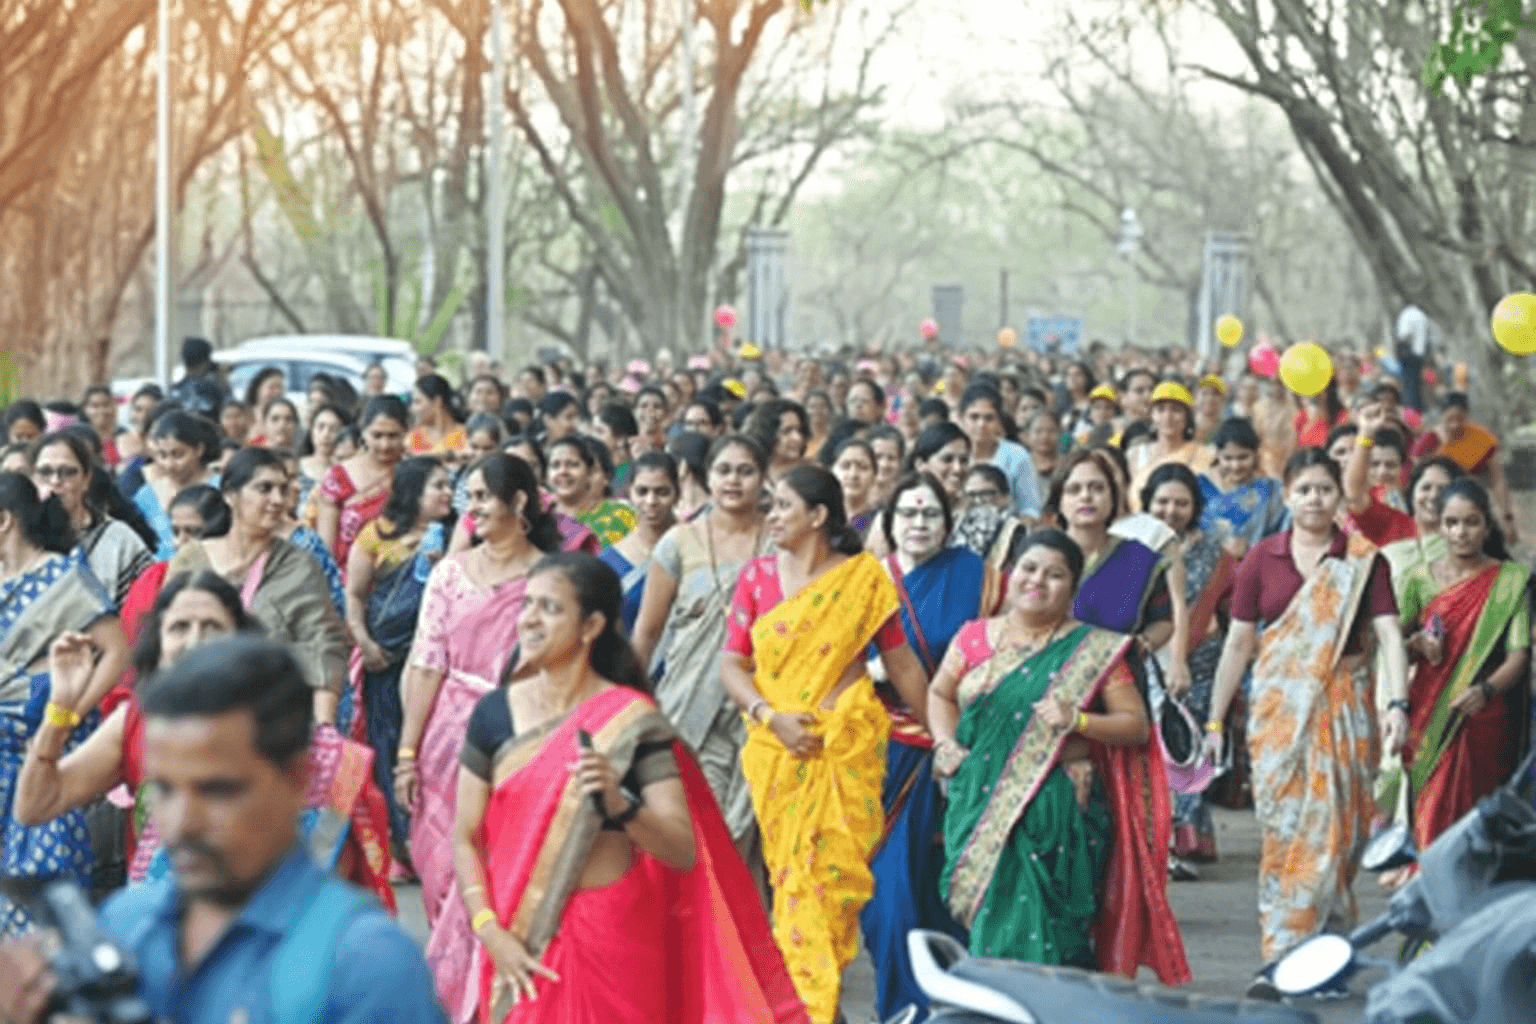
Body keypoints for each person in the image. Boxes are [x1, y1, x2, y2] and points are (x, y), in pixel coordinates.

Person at [0, 636, 447, 1024]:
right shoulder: (128, 924)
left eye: (217, 790)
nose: (182, 823)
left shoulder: (366, 966)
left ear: (296, 780)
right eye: (166, 790)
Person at [445, 554, 805, 1024]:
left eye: (550, 608)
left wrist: (622, 805)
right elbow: (465, 836)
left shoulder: (631, 723)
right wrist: (488, 930)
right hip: (517, 940)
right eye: (526, 604)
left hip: (613, 934)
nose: (529, 618)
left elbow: (682, 850)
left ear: (591, 625)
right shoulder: (493, 715)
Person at [15, 572, 395, 908]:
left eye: (212, 627)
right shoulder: (135, 721)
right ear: (158, 642)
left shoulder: (286, 734)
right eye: (179, 628)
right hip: (169, 930)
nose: (195, 641)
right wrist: (61, 709)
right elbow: (36, 805)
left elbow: (332, 866)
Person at [929, 530, 1190, 983]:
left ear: (1072, 588)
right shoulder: (972, 637)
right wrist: (945, 742)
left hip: (1056, 805)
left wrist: (1079, 720)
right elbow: (939, 693)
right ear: (1011, 574)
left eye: (1054, 575)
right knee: (990, 925)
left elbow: (1134, 725)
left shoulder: (1094, 649)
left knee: (1050, 934)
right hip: (977, 798)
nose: (1037, 581)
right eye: (1029, 569)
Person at [720, 465, 930, 1024]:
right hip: (779, 754)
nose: (771, 516)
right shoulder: (756, 579)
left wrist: (942, 732)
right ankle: (810, 1012)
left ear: (818, 516)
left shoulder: (862, 579)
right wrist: (771, 717)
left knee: (828, 893)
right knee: (792, 888)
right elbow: (731, 663)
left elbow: (901, 660)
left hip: (843, 753)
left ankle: (811, 1011)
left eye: (783, 505)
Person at [1205, 448, 1409, 972]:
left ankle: (1323, 957)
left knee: (1337, 839)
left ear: (1339, 495)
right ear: (1288, 494)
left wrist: (1397, 703)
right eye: (1304, 489)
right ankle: (1285, 956)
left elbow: (1388, 632)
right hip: (1278, 718)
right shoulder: (1260, 559)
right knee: (1285, 833)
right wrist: (1212, 720)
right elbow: (1237, 645)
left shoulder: (1363, 561)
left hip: (1345, 709)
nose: (1314, 499)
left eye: (1324, 489)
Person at [396, 453, 562, 1019]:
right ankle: (450, 995)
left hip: (518, 738)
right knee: (443, 867)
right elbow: (424, 664)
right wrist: (407, 752)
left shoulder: (549, 579)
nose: (473, 506)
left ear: (519, 503)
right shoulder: (448, 573)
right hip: (445, 739)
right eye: (469, 495)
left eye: (485, 495)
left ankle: (491, 996)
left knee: (500, 867)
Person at [860, 472, 1001, 1021]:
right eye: (908, 515)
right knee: (887, 898)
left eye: (930, 515)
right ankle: (903, 1008)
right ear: (889, 524)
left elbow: (1005, 647)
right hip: (879, 755)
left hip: (956, 755)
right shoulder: (866, 580)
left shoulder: (978, 578)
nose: (918, 524)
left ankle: (956, 1007)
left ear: (949, 522)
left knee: (945, 890)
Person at [631, 435, 770, 866]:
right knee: (697, 836)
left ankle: (737, 931)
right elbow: (648, 632)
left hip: (758, 713)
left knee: (743, 839)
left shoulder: (781, 542)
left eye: (745, 471)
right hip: (688, 710)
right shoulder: (679, 542)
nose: (733, 481)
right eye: (724, 470)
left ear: (762, 479)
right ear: (705, 477)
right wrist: (627, 708)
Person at [0, 474, 128, 935]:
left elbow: (116, 650)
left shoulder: (62, 576)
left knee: (39, 916)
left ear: (4, 522)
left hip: (38, 758)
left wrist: (69, 713)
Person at [1395, 479, 1530, 854]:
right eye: (1451, 523)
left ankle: (1476, 895)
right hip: (1429, 710)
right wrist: (1417, 645)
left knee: (1479, 816)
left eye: (1471, 522)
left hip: (1486, 714)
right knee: (1430, 808)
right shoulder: (1419, 579)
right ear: (1439, 525)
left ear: (1487, 526)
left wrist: (1486, 690)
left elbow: (1518, 653)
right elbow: (1393, 646)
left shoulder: (1510, 580)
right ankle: (1432, 885)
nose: (1461, 532)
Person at [170, 448, 350, 726]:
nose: (278, 500)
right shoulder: (191, 560)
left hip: (272, 718)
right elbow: (166, 638)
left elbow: (322, 646)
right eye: (265, 489)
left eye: (283, 489)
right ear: (231, 495)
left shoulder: (299, 566)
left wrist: (324, 727)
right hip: (198, 712)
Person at [346, 456, 455, 855]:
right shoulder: (376, 536)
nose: (448, 493)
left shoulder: (457, 536)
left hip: (435, 661)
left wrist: (444, 568)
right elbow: (355, 594)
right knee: (389, 742)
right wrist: (364, 640)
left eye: (449, 485)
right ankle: (401, 838)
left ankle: (433, 835)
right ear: (413, 492)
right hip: (385, 659)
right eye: (438, 485)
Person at [1142, 463, 1235, 867]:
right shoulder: (1134, 544)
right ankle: (1164, 833)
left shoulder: (1213, 550)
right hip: (1150, 653)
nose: (1171, 510)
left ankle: (1186, 835)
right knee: (1157, 743)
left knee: (1188, 740)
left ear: (1195, 506)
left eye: (1181, 502)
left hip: (1203, 658)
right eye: (1162, 501)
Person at [31, 430, 154, 603]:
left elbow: (144, 610)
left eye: (67, 472)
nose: (55, 481)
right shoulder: (21, 540)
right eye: (45, 472)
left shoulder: (119, 540)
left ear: (86, 479)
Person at [315, 395, 409, 570]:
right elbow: (325, 550)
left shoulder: (415, 476)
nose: (385, 444)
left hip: (400, 582)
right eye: (377, 435)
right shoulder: (339, 477)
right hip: (345, 583)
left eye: (393, 436)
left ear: (406, 433)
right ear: (364, 433)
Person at [1410, 392, 1517, 543]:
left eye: (1460, 419)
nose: (1454, 425)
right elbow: (1414, 482)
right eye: (1449, 420)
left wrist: (1508, 518)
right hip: (1435, 510)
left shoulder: (1481, 439)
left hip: (1470, 507)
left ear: (1467, 416)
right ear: (1441, 416)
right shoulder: (1429, 442)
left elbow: (1498, 482)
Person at [598, 452, 678, 633]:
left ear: (677, 494)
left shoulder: (696, 549)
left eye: (662, 492)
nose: (651, 501)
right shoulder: (610, 561)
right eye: (642, 491)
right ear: (629, 494)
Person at [135, 410, 220, 559]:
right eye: (162, 455)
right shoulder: (147, 495)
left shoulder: (220, 487)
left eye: (178, 455)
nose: (169, 464)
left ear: (199, 450)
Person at [1198, 418, 1285, 559]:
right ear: (1217, 455)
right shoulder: (1201, 487)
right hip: (1207, 570)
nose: (1235, 466)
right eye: (1228, 458)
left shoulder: (1271, 491)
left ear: (1256, 454)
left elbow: (1282, 536)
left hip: (1258, 567)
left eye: (1243, 457)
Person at [959, 382, 1041, 519]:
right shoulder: (952, 455)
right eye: (974, 417)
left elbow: (1030, 508)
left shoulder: (1016, 456)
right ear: (962, 418)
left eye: (989, 418)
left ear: (998, 420)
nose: (981, 424)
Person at [1379, 456, 1464, 587]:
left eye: (1443, 490)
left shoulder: (1467, 547)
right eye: (1426, 488)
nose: (1434, 495)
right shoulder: (1389, 546)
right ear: (1412, 495)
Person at [1128, 382, 1212, 510]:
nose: (1167, 416)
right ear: (1152, 416)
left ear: (1187, 418)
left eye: (1176, 410)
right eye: (1160, 410)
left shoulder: (1205, 455)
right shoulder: (1135, 455)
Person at [546, 435, 635, 547]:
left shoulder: (621, 515)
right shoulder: (540, 515)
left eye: (573, 464)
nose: (563, 471)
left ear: (589, 472)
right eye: (555, 465)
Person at [298, 404, 352, 511]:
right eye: (321, 427)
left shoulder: (348, 472)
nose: (326, 434)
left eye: (333, 429)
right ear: (312, 431)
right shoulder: (295, 468)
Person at [744, 398, 811, 484]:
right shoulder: (751, 473)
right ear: (767, 434)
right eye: (787, 431)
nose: (797, 438)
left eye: (800, 430)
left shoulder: (812, 474)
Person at [167, 336, 230, 421]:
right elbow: (229, 410)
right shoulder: (212, 390)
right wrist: (223, 383)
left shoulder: (173, 391)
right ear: (205, 361)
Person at [408, 374, 469, 460]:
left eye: (417, 402)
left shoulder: (465, 435)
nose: (412, 408)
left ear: (437, 401)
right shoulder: (414, 438)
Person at [831, 437, 880, 535]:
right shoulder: (821, 520)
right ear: (832, 471)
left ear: (874, 476)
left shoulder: (880, 522)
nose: (853, 475)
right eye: (845, 466)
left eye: (863, 467)